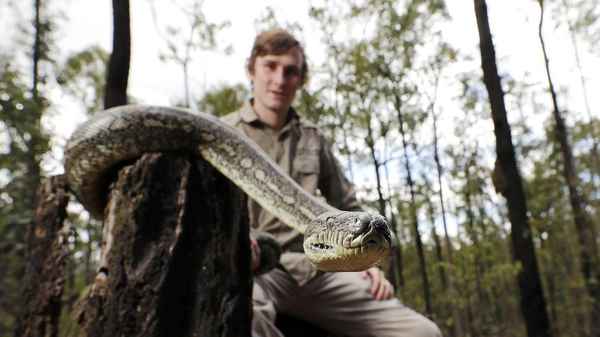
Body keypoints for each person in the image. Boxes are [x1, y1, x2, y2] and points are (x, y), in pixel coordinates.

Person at [222, 28, 442, 337]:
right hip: (259, 270)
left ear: (300, 79)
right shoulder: (225, 135)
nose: (280, 79)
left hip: (319, 268)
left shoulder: (313, 137)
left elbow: (348, 205)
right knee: (245, 317)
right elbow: (208, 216)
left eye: (291, 71)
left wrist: (366, 259)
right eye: (270, 66)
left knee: (423, 333)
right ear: (251, 69)